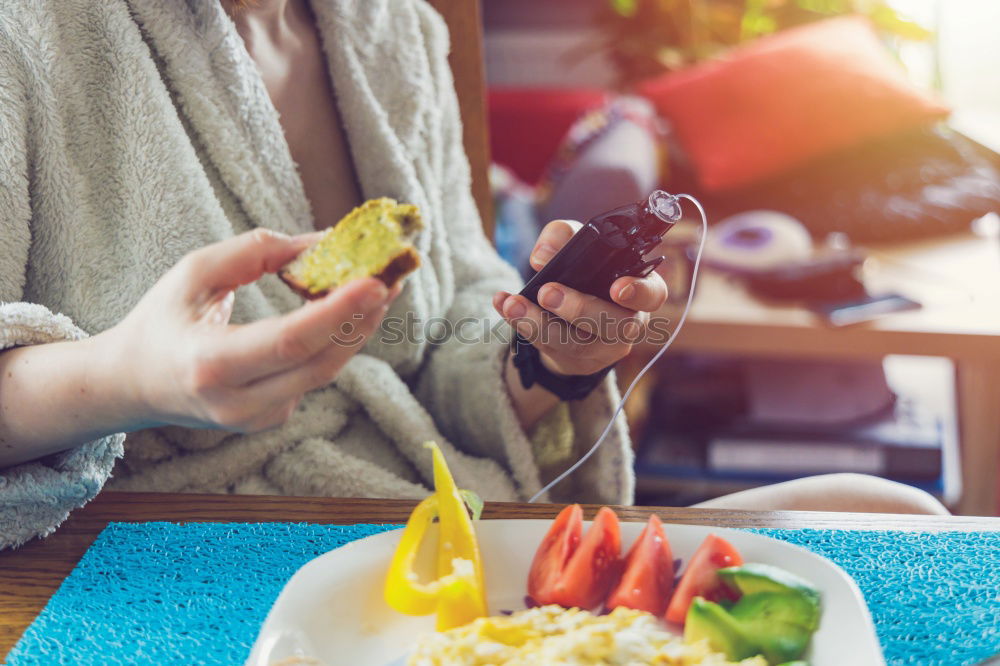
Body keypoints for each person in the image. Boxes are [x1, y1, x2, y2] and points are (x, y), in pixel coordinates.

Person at [0, 0, 945, 550]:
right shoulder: (28, 34)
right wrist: (124, 382)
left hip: (431, 506)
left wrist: (551, 359)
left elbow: (453, 313)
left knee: (890, 515)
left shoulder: (395, 27)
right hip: (176, 554)